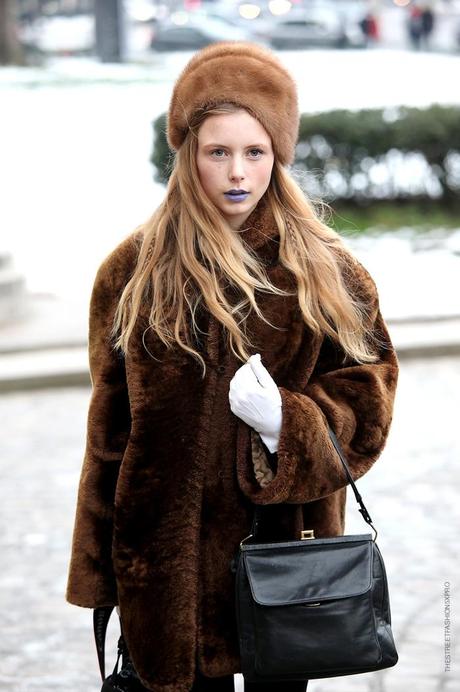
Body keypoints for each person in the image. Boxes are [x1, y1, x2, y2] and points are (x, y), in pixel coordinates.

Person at [65, 41, 399, 692]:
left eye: (256, 152)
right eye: (218, 151)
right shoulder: (130, 274)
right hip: (164, 577)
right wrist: (99, 578)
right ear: (189, 154)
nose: (238, 172)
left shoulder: (328, 274)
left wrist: (288, 423)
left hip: (283, 567)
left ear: (279, 155)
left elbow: (371, 399)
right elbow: (109, 436)